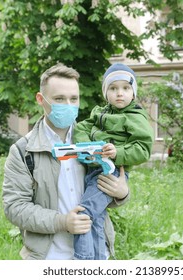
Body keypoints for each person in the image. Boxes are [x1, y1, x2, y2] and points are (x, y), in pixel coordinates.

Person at [2, 63, 130, 260]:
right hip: (49, 257)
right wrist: (63, 222)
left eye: (74, 99)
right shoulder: (22, 151)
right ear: (40, 99)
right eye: (59, 99)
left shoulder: (96, 141)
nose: (68, 105)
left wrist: (121, 194)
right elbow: (15, 207)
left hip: (97, 253)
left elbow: (103, 193)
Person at [72, 63, 154, 260]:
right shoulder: (99, 113)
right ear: (105, 92)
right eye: (113, 88)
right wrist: (89, 146)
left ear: (133, 93)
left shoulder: (135, 117)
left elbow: (143, 148)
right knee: (97, 218)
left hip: (111, 171)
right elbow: (80, 128)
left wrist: (118, 152)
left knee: (84, 214)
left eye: (126, 88)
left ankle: (82, 261)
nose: (120, 93)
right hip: (93, 168)